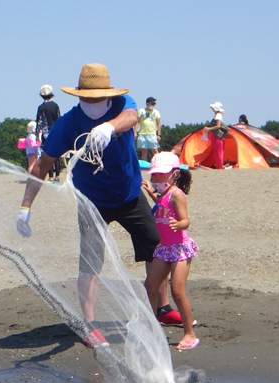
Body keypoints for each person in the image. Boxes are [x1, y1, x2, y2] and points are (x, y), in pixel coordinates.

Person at [16, 63, 181, 348]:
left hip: (129, 194)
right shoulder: (68, 123)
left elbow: (131, 117)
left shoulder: (121, 104)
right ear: (78, 96)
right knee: (90, 260)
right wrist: (25, 207)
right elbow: (43, 164)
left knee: (157, 247)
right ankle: (89, 325)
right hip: (91, 201)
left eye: (97, 97)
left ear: (108, 94)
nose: (92, 103)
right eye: (87, 98)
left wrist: (108, 126)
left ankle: (162, 307)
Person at [141, 152, 199, 350]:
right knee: (149, 286)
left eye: (160, 175)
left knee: (177, 290)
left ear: (174, 174)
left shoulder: (176, 194)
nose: (155, 178)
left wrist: (179, 224)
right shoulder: (164, 195)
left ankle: (189, 333)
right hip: (163, 248)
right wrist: (151, 193)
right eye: (154, 175)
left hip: (179, 248)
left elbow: (186, 220)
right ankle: (151, 326)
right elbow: (161, 203)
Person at [36, 84, 61, 183]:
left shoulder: (41, 107)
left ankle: (50, 177)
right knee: (57, 156)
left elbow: (39, 122)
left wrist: (37, 135)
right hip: (56, 132)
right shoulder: (56, 106)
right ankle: (57, 176)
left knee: (48, 155)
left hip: (46, 134)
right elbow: (59, 118)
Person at [135, 97, 161, 162]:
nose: (153, 105)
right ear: (147, 103)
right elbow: (137, 122)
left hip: (152, 134)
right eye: (152, 103)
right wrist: (135, 132)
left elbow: (158, 124)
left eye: (154, 103)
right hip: (142, 134)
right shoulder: (141, 111)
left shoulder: (156, 112)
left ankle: (157, 163)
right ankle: (145, 165)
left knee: (155, 150)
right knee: (144, 151)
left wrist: (159, 135)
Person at [202, 102, 227, 169]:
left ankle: (220, 166)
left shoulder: (218, 116)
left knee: (218, 151)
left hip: (217, 136)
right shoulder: (218, 115)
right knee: (217, 151)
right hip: (216, 135)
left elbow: (218, 126)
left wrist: (209, 129)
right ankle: (219, 166)